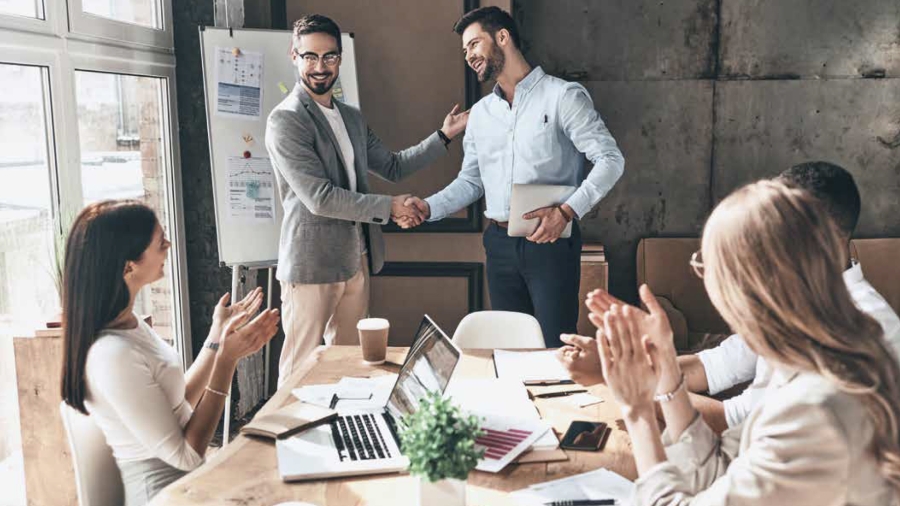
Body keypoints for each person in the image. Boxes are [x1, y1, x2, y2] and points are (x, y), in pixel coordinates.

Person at [598, 181, 900, 505]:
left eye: (706, 266)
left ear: (749, 285)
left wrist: (638, 409)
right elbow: (718, 468)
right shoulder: (804, 354)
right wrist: (667, 369)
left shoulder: (815, 406)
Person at [559, 161, 900, 433]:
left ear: (819, 239)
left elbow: (734, 422)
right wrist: (618, 365)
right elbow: (713, 366)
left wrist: (622, 383)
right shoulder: (797, 296)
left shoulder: (859, 333)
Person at [400, 7, 625, 347]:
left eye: (474, 44)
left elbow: (610, 160)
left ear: (502, 37)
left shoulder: (563, 96)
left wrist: (566, 212)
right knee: (511, 351)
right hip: (499, 245)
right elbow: (471, 181)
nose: (469, 56)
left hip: (551, 245)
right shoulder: (481, 114)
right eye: (465, 51)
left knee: (554, 348)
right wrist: (428, 207)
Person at [266, 14, 469, 385]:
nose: (319, 66)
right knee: (299, 372)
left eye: (329, 57)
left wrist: (443, 135)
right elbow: (319, 198)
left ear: (340, 59)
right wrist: (389, 208)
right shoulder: (287, 120)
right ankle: (283, 439)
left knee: (350, 368)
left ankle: (341, 437)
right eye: (310, 57)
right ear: (293, 57)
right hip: (312, 265)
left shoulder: (351, 118)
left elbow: (392, 166)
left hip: (355, 258)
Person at [60, 200, 279, 505]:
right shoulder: (112, 355)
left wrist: (217, 336)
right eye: (159, 241)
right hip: (165, 497)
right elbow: (187, 455)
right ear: (128, 265)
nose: (169, 245)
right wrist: (227, 361)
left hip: (191, 487)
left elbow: (177, 402)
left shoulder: (130, 322)